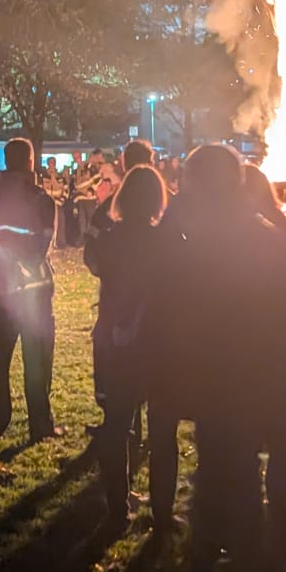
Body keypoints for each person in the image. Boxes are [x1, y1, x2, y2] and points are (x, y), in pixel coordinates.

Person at [146, 144, 286, 562]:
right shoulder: (255, 231)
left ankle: (223, 544)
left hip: (218, 370)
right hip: (255, 366)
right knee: (239, 458)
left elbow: (162, 282)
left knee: (224, 458)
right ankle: (244, 542)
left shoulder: (197, 240)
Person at [0, 138, 64, 443]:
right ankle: (40, 424)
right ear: (31, 162)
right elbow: (39, 248)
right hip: (33, 293)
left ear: (7, 161)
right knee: (37, 359)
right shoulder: (40, 200)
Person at [85, 163, 168, 524]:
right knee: (162, 428)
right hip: (154, 340)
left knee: (117, 422)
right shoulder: (164, 240)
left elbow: (96, 263)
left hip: (112, 336)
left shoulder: (110, 239)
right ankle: (162, 511)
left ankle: (117, 505)